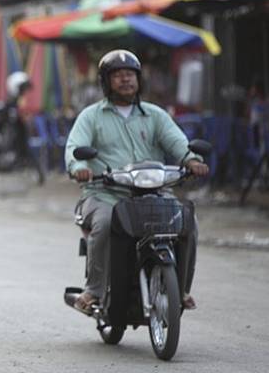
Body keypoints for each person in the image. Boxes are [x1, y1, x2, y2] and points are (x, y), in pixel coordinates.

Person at [65, 49, 209, 313]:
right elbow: (75, 148)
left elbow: (177, 142)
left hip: (153, 193)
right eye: (118, 75)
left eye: (130, 74)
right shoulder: (91, 116)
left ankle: (181, 288)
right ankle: (94, 290)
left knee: (188, 222)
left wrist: (191, 160)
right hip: (105, 194)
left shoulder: (155, 115)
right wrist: (80, 167)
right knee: (107, 222)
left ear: (139, 79)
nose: (125, 80)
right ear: (106, 82)